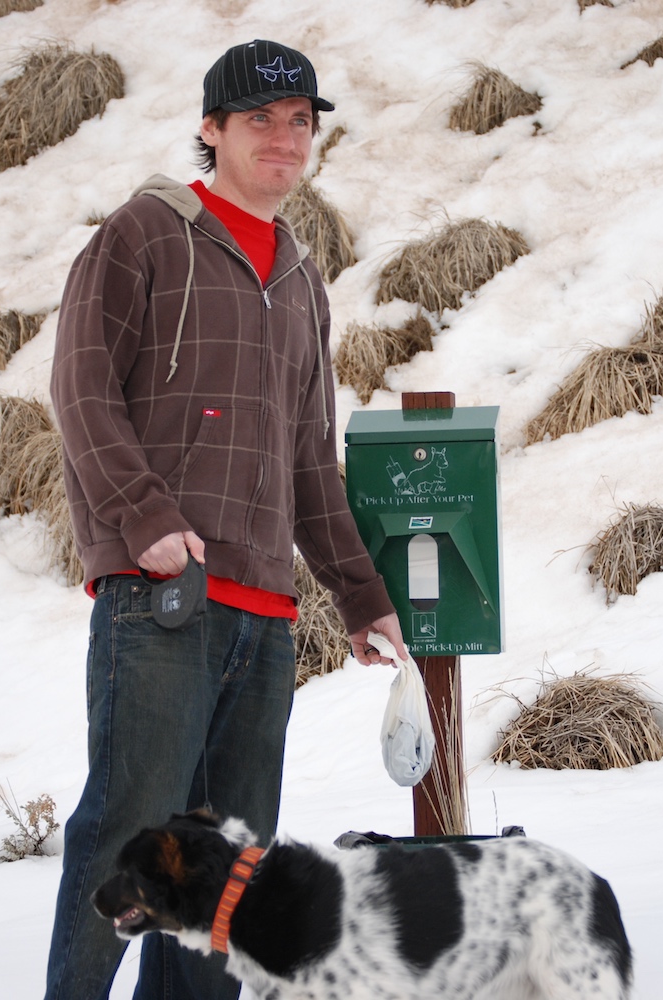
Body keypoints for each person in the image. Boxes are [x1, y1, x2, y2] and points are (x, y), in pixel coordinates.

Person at [44, 38, 406, 1000]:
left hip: (268, 616)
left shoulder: (299, 275)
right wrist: (143, 516)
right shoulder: (145, 233)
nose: (286, 140)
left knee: (221, 871)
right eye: (261, 121)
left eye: (301, 122)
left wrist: (361, 597)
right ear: (212, 129)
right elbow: (79, 390)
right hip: (162, 596)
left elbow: (308, 457)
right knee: (129, 829)